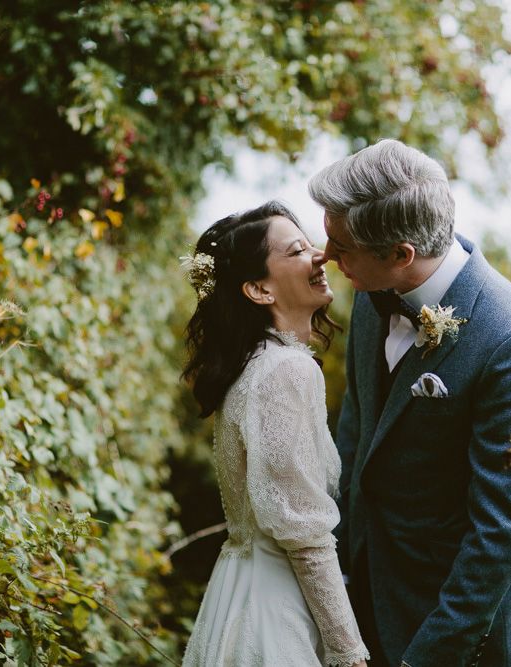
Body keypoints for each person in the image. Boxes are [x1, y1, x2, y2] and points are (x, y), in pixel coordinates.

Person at [309, 139, 511, 667]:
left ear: (402, 254)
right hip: (359, 599)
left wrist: (434, 654)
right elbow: (356, 430)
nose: (326, 257)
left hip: (443, 620)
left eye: (341, 246)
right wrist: (337, 575)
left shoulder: (503, 336)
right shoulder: (370, 291)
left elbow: (499, 530)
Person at [180, 201, 369, 667]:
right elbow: (303, 533)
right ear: (259, 289)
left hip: (236, 592)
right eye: (298, 250)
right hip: (273, 612)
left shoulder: (254, 367)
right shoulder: (286, 371)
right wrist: (348, 651)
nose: (320, 256)